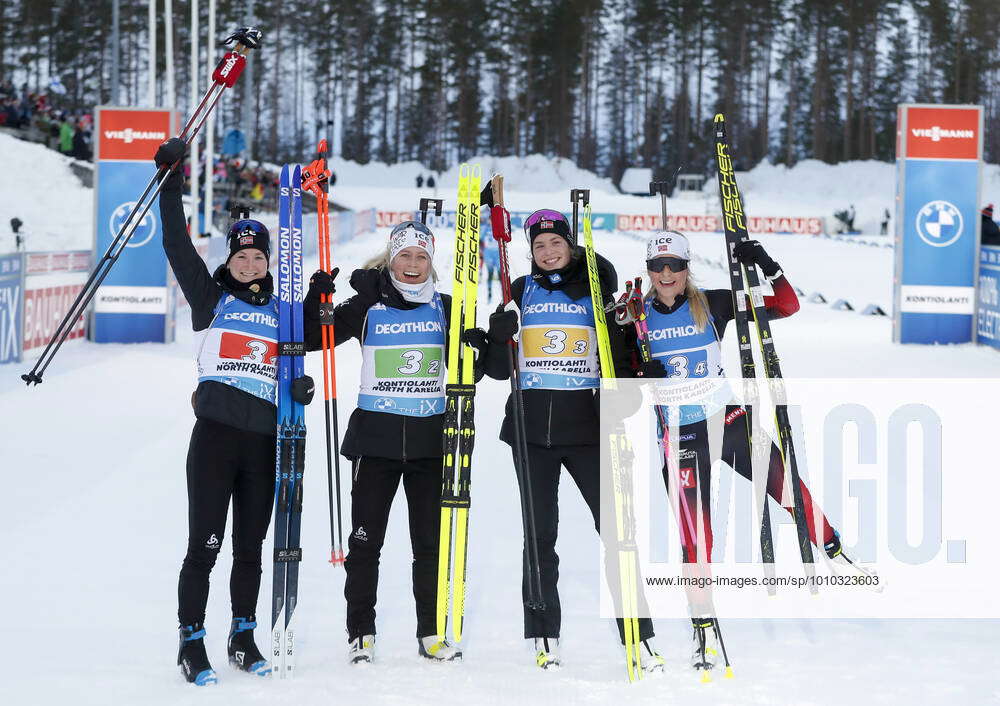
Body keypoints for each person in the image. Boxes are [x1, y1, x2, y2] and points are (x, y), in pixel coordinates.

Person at [619, 230, 866, 670]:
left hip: (729, 420)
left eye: (675, 265)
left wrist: (767, 264)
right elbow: (619, 376)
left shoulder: (712, 303)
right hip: (680, 435)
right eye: (658, 267)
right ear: (649, 271)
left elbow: (786, 306)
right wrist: (640, 372)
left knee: (788, 488)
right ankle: (704, 628)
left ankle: (833, 547)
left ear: (687, 267)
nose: (667, 274)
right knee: (697, 539)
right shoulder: (635, 318)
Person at [155, 137, 326, 686]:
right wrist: (172, 180)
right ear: (229, 261)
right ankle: (191, 641)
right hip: (216, 439)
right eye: (241, 256)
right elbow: (177, 246)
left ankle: (242, 634)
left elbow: (304, 359)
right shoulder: (212, 300)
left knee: (251, 548)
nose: (251, 263)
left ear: (269, 263)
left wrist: (300, 382)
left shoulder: (285, 315)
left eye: (259, 257)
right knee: (205, 544)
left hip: (263, 444)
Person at [465, 209, 664, 672]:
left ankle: (639, 636)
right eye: (539, 246)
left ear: (571, 245)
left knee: (616, 532)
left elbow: (620, 355)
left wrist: (639, 369)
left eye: (557, 244)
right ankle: (543, 634)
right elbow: (497, 370)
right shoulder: (519, 291)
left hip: (587, 428)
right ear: (530, 252)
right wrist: (495, 338)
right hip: (530, 430)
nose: (549, 252)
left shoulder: (597, 290)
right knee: (539, 537)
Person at [330, 220, 477, 664]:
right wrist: (322, 300)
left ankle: (430, 632)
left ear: (432, 264)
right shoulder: (369, 305)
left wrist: (492, 338)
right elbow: (314, 336)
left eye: (421, 257)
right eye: (404, 256)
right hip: (375, 444)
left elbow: (482, 366)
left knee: (429, 546)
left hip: (431, 447)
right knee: (365, 543)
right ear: (390, 259)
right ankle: (361, 632)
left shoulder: (447, 308)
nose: (412, 265)